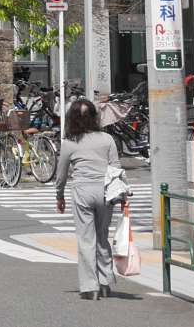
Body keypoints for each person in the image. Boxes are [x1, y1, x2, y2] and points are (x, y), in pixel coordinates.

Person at [54, 96, 125, 300]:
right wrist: (121, 195)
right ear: (94, 117)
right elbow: (116, 168)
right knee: (102, 236)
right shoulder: (107, 139)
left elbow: (61, 174)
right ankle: (105, 282)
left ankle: (89, 286)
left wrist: (59, 196)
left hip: (82, 191)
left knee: (87, 239)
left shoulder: (69, 143)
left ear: (72, 119)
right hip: (105, 191)